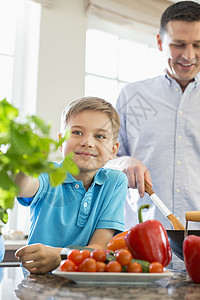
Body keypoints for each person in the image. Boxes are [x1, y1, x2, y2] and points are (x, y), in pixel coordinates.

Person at [107, 0, 200, 230]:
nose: (189, 55)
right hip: (141, 240)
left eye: (198, 45)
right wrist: (124, 162)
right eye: (178, 44)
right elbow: (105, 161)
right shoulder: (133, 96)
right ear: (160, 42)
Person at [15, 96, 128, 274]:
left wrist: (61, 256)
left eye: (100, 136)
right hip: (38, 283)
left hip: (86, 282)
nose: (88, 142)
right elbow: (23, 186)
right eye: (77, 132)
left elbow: (99, 247)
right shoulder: (49, 174)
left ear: (113, 150)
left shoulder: (115, 182)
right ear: (61, 142)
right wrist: (19, 165)